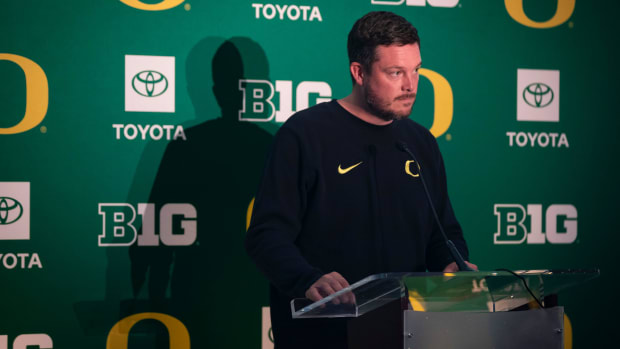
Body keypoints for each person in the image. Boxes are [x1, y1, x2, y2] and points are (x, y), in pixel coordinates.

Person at [245, 11, 476, 349]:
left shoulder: (420, 143)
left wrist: (454, 264)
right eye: (395, 73)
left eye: (416, 71)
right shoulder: (305, 134)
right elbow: (266, 236)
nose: (410, 85)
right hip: (323, 335)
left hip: (407, 332)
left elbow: (443, 233)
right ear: (359, 72)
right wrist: (308, 278)